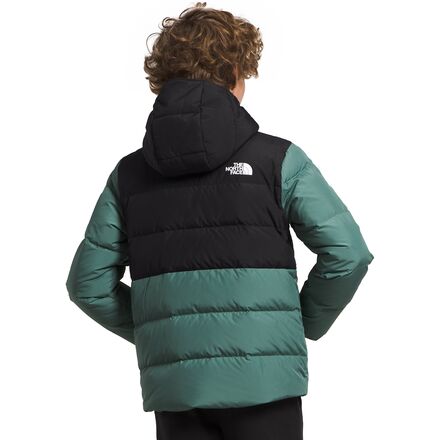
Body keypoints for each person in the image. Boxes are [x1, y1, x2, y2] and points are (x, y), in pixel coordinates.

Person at [65, 2, 374, 439]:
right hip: (265, 385)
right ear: (233, 71)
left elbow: (88, 285)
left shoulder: (129, 175)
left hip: (178, 391)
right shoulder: (278, 160)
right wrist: (298, 323)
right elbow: (348, 253)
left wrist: (168, 336)